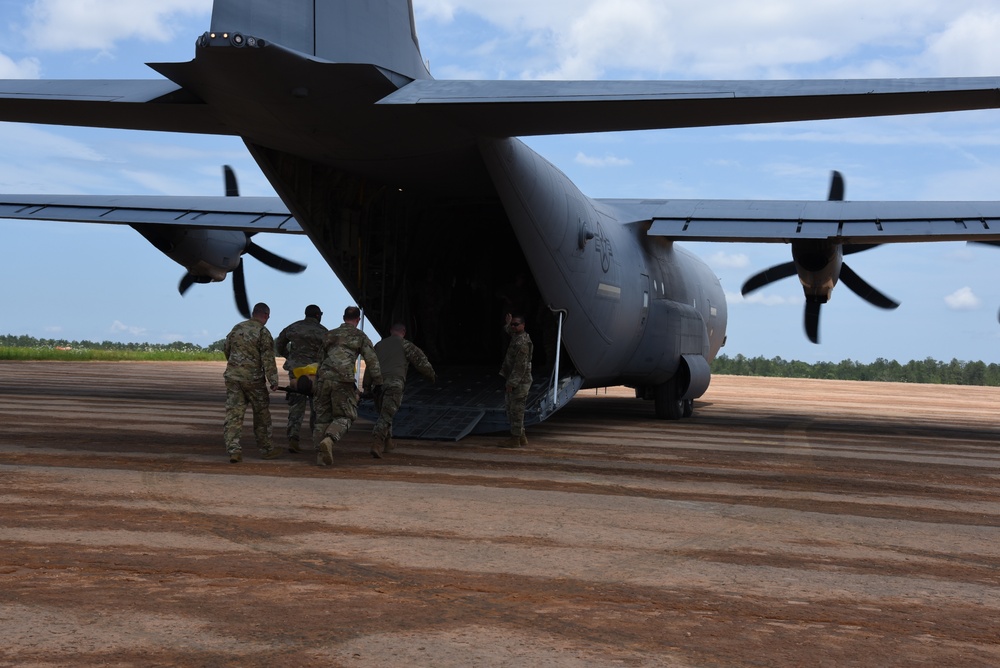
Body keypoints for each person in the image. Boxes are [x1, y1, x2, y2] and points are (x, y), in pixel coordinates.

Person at [313, 306, 383, 466]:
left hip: (324, 378)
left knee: (322, 417)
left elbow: (320, 359)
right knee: (346, 416)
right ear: (358, 320)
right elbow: (372, 361)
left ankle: (320, 455)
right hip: (343, 381)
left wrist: (317, 382)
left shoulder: (329, 334)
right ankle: (329, 440)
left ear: (343, 317)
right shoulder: (360, 336)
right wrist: (378, 382)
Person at [364, 322, 436, 458]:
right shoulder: (406, 345)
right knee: (386, 415)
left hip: (377, 385)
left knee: (384, 414)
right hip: (394, 384)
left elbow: (369, 367)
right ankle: (376, 443)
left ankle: (388, 443)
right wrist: (431, 376)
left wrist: (367, 387)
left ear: (391, 331)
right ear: (404, 332)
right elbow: (421, 362)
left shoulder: (379, 345)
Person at [223, 302, 281, 463]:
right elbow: (268, 359)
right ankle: (266, 449)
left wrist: (236, 366)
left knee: (234, 414)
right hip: (253, 380)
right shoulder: (262, 332)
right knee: (261, 414)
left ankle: (233, 450)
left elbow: (226, 348)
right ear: (265, 315)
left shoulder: (237, 328)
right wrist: (273, 380)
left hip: (233, 378)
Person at [274, 304, 327, 453]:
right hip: (315, 373)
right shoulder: (323, 332)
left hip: (296, 372)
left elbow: (279, 343)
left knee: (296, 405)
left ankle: (293, 439)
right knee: (317, 406)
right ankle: (317, 440)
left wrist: (289, 356)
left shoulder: (294, 327)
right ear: (318, 315)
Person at [499, 312, 533, 448]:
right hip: (517, 380)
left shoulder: (523, 343)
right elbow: (508, 330)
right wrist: (508, 323)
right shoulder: (516, 336)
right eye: (512, 324)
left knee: (516, 411)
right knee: (513, 409)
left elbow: (520, 366)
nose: (513, 327)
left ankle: (515, 439)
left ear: (523, 325)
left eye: (516, 324)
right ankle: (522, 437)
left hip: (520, 382)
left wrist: (511, 383)